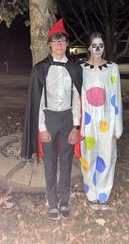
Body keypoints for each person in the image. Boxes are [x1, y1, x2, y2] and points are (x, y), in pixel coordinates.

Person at [21, 19, 82, 221]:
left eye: (63, 41)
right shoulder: (40, 69)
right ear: (49, 44)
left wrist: (75, 126)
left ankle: (64, 202)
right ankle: (52, 203)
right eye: (56, 41)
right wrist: (41, 128)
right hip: (48, 119)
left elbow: (77, 99)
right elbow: (37, 102)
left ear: (66, 44)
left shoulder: (74, 68)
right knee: (50, 163)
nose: (59, 45)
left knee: (65, 163)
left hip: (67, 120)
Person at [79, 32, 123, 210]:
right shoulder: (80, 69)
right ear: (89, 47)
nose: (97, 49)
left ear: (104, 47)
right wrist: (78, 124)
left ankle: (103, 194)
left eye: (101, 45)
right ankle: (91, 194)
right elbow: (77, 98)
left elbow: (116, 97)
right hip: (88, 122)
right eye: (94, 45)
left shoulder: (112, 68)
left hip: (106, 121)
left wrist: (117, 127)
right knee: (88, 158)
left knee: (106, 156)